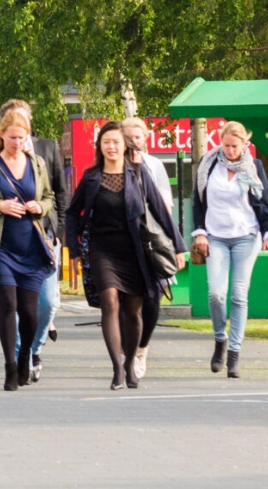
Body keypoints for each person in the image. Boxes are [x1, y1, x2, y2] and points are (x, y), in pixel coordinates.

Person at [72, 120, 182, 389]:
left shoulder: (139, 174)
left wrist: (178, 246)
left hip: (135, 250)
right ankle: (117, 369)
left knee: (134, 312)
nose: (111, 146)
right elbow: (73, 213)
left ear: (125, 146)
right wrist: (73, 250)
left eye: (116, 142)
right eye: (106, 141)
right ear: (100, 145)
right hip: (102, 249)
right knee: (109, 302)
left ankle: (131, 362)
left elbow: (159, 211)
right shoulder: (91, 177)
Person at [0, 99, 66, 382]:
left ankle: (26, 353)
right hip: (1, 246)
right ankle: (9, 367)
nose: (18, 142)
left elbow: (52, 197)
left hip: (32, 245)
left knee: (32, 312)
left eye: (22, 137)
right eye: (13, 137)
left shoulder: (39, 162)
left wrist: (41, 208)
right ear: (2, 135)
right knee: (7, 306)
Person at [190, 120, 268, 379]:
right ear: (220, 142)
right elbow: (198, 202)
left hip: (246, 236)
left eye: (235, 146)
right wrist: (200, 232)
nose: (230, 151)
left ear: (244, 144)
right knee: (216, 294)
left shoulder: (254, 167)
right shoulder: (208, 165)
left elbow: (265, 203)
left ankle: (234, 355)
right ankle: (220, 340)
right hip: (215, 237)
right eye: (226, 145)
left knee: (239, 295)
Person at [118, 116, 176, 381]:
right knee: (122, 301)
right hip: (122, 241)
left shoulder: (154, 165)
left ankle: (141, 349)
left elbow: (166, 205)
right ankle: (125, 352)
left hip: (152, 241)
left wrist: (174, 244)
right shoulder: (112, 164)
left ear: (145, 139)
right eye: (128, 137)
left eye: (137, 137)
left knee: (152, 299)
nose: (133, 142)